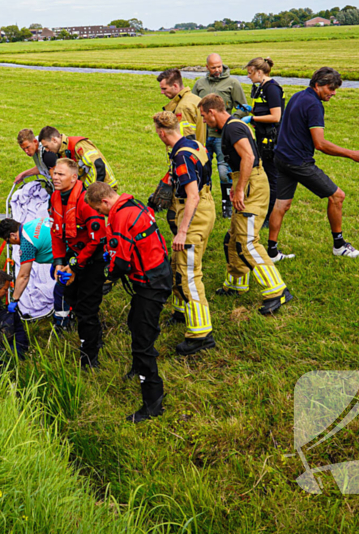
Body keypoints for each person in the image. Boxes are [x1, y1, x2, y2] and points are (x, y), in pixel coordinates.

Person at [199, 95, 294, 315]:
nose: (204, 121)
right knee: (233, 237)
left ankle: (276, 290)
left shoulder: (232, 128)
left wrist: (240, 188)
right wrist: (236, 184)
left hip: (251, 185)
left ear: (212, 112)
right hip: (245, 181)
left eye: (204, 116)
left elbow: (248, 157)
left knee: (248, 240)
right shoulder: (235, 125)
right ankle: (236, 284)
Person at [86, 182, 171, 422]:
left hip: (151, 282)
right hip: (157, 273)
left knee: (142, 342)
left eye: (100, 211)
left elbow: (121, 263)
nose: (102, 216)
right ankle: (137, 369)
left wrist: (107, 280)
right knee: (134, 321)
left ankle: (152, 403)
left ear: (105, 202)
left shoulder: (120, 217)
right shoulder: (132, 204)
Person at [267, 67, 359, 260]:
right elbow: (320, 144)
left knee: (282, 204)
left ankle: (271, 252)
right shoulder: (314, 105)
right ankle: (339, 245)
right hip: (298, 162)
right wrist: (351, 154)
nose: (333, 93)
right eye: (330, 89)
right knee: (337, 196)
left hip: (281, 158)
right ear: (317, 85)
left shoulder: (297, 96)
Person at [152, 112, 216, 352]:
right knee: (179, 264)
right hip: (206, 207)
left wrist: (182, 231)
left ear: (161, 132)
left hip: (194, 212)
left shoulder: (180, 156)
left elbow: (192, 195)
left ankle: (201, 335)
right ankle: (181, 312)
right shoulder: (194, 143)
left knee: (189, 272)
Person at [49, 158, 107, 369]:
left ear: (74, 178)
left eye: (61, 174)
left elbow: (96, 241)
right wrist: (58, 263)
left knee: (87, 308)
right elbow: (56, 233)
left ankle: (90, 358)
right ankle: (90, 334)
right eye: (54, 173)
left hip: (93, 258)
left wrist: (73, 267)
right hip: (74, 256)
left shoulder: (86, 202)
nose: (55, 177)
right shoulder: (54, 198)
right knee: (71, 297)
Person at [192, 53, 248, 219]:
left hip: (222, 136)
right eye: (213, 67)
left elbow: (242, 107)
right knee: (202, 169)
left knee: (224, 171)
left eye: (219, 66)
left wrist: (231, 122)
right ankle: (204, 203)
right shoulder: (200, 84)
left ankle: (227, 203)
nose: (217, 70)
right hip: (203, 135)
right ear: (207, 67)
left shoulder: (232, 83)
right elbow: (194, 106)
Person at [0, 216, 71, 331]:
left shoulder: (26, 244)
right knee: (61, 280)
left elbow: (24, 276)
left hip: (71, 252)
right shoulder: (31, 224)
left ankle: (62, 324)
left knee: (60, 292)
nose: (10, 244)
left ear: (13, 235)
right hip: (68, 244)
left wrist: (15, 299)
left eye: (7, 241)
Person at [244, 58, 285, 226]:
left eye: (250, 72)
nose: (248, 76)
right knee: (265, 175)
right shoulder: (260, 88)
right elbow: (264, 108)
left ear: (259, 72)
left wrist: (253, 118)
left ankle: (270, 216)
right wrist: (250, 109)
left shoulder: (272, 88)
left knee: (272, 178)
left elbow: (276, 116)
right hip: (262, 136)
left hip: (272, 139)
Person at [39, 126, 119, 190]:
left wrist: (92, 192)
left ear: (54, 140)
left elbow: (98, 166)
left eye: (47, 146)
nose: (47, 150)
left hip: (104, 189)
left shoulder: (78, 145)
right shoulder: (62, 151)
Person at [157, 68, 206, 144]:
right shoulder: (196, 99)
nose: (162, 92)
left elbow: (185, 138)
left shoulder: (183, 107)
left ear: (175, 86)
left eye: (164, 89)